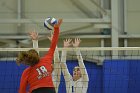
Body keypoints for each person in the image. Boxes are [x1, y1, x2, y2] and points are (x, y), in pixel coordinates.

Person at [16, 19, 63, 93]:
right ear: (37, 56)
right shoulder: (46, 60)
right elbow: (53, 45)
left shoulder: (26, 72)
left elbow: (21, 91)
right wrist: (56, 28)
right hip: (50, 90)